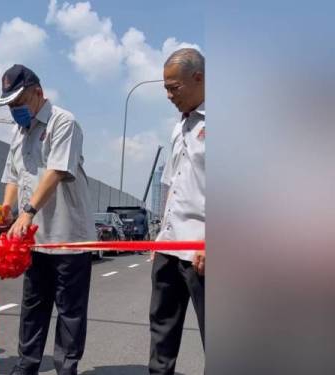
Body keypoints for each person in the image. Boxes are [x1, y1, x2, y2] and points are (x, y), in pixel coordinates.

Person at [0, 64, 96, 375]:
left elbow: (55, 171)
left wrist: (27, 212)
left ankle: (66, 368)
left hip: (68, 237)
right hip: (34, 240)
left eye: (19, 102)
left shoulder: (63, 122)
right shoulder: (19, 132)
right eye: (10, 105)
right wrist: (8, 208)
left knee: (70, 311)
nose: (15, 110)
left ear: (38, 93)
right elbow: (13, 175)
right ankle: (27, 365)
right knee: (33, 307)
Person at [148, 48, 205, 375]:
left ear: (198, 79)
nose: (169, 95)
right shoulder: (180, 127)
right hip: (171, 248)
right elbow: (172, 185)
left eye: (174, 87)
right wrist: (161, 236)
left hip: (203, 251)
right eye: (166, 88)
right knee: (161, 331)